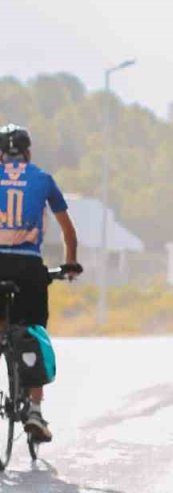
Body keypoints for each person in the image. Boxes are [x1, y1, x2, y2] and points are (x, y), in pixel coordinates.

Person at [0, 124, 80, 442]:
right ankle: (35, 410)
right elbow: (68, 231)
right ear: (28, 152)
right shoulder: (43, 179)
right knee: (33, 330)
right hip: (28, 266)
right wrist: (70, 264)